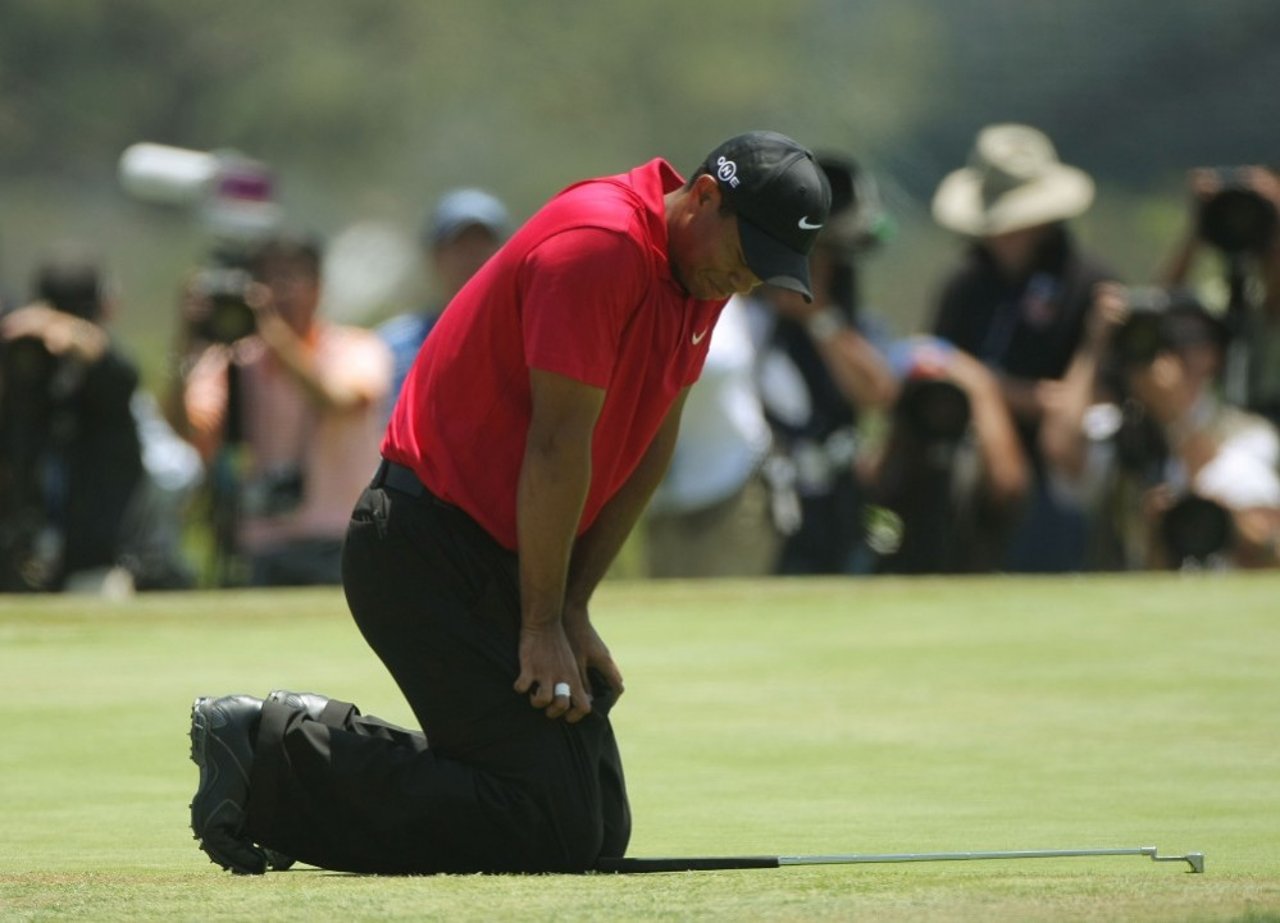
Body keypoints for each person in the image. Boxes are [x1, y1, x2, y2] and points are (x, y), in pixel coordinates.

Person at [187, 131, 831, 875]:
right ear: (706, 197)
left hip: (501, 550)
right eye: (749, 257)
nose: (747, 281)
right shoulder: (603, 244)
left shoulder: (701, 272)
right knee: (547, 824)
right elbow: (557, 447)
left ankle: (285, 753)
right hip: (422, 545)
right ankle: (271, 753)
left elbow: (651, 444)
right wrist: (539, 621)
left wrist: (574, 606)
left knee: (592, 825)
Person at [930, 123, 1117, 572]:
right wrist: (1014, 395)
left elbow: (1089, 402)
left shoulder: (1089, 284)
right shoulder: (966, 285)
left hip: (1062, 473)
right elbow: (935, 362)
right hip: (965, 465)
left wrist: (984, 383)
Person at [177, 235, 392, 586]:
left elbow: (336, 400)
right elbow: (190, 427)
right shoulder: (234, 359)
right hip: (261, 546)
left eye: (288, 280)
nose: (276, 294)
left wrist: (274, 334)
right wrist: (187, 343)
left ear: (318, 288)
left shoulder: (357, 347)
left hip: (340, 539)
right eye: (266, 280)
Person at [745, 155, 899, 574]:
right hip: (761, 509)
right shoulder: (742, 318)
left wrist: (818, 317)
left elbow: (878, 393)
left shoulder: (842, 321)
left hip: (837, 506)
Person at [0, 248, 144, 592]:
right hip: (19, 560)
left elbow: (109, 363)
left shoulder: (108, 377)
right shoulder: (26, 379)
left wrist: (52, 324)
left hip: (96, 564)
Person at [863, 336, 1030, 574]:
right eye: (927, 401)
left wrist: (981, 388)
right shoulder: (901, 454)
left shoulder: (972, 460)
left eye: (948, 400)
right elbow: (871, 481)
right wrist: (899, 403)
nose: (938, 411)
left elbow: (1010, 485)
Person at [643, 295, 777, 577]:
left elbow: (710, 364)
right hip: (660, 495)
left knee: (731, 611)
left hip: (732, 485)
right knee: (667, 611)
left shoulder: (722, 290)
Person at [378, 187, 510, 410]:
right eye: (460, 246)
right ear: (435, 257)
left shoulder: (527, 344)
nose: (473, 256)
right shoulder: (392, 348)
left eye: (482, 244)